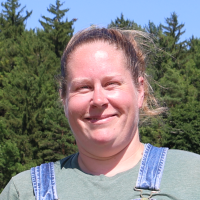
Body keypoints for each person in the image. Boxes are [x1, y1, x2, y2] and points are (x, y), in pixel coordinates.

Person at [1, 27, 200, 200]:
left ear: (140, 91)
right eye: (83, 87)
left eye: (111, 84)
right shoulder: (25, 192)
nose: (98, 99)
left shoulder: (193, 176)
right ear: (64, 99)